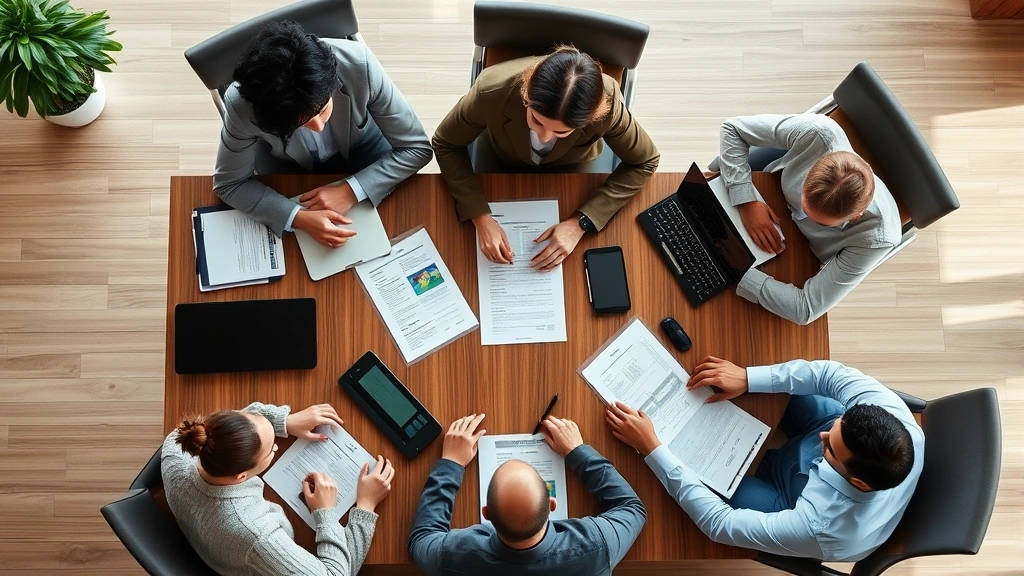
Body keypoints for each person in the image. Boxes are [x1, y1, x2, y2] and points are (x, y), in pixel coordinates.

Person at [605, 357, 924, 562]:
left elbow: (720, 524)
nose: (822, 438)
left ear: (856, 481)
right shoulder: (893, 416)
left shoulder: (822, 527)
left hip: (791, 501)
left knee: (701, 476)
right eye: (836, 428)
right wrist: (746, 378)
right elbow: (828, 374)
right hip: (836, 461)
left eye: (830, 449)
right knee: (776, 383)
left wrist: (652, 448)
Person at [432, 46, 660, 271]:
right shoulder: (490, 91)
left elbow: (646, 160)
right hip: (502, 158)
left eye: (561, 132)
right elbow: (445, 142)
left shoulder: (607, 105)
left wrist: (579, 224)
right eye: (537, 120)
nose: (544, 137)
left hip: (571, 169)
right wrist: (479, 216)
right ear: (526, 94)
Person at [215, 21, 432, 247]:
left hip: (365, 151)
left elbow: (417, 148)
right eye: (299, 123)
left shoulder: (359, 65)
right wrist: (297, 217)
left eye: (321, 109)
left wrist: (351, 190)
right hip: (289, 168)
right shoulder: (241, 105)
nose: (318, 126)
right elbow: (229, 183)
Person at [162, 402, 396, 575]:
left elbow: (233, 425)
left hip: (206, 536)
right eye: (271, 449)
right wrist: (356, 506)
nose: (275, 446)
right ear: (241, 476)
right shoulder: (255, 533)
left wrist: (283, 421)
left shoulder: (178, 444)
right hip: (237, 554)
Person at [717, 113, 902, 325]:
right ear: (814, 167)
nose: (803, 217)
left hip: (800, 256)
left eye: (821, 224)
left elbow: (805, 308)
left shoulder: (876, 239)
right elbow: (732, 128)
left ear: (856, 215)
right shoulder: (817, 132)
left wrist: (735, 267)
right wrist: (746, 201)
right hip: (766, 197)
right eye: (804, 202)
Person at [408, 414, 646, 575]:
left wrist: (451, 462)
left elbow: (421, 540)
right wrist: (577, 451)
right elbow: (631, 508)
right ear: (552, 504)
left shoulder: (454, 557)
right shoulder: (595, 546)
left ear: (486, 513)